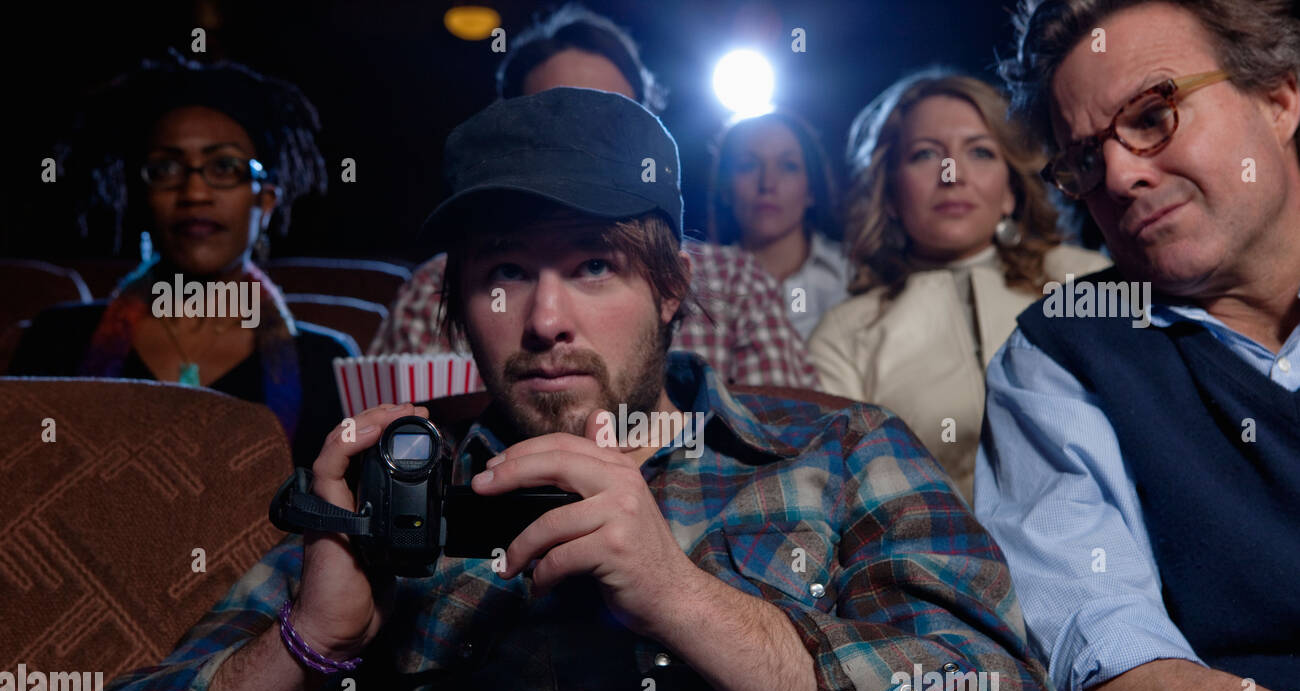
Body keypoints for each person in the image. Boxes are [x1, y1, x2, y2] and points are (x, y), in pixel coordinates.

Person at [23, 87, 1161, 691]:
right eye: (505, 273)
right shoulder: (403, 502)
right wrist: (316, 640)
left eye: (594, 266)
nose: (547, 320)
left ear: (671, 289)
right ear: (457, 305)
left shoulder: (839, 446)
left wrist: (679, 595)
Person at [979, 0, 1300, 691]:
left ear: (1279, 97)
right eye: (1086, 160)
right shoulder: (1060, 355)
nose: (1119, 177)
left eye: (1152, 118)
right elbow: (1102, 643)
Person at [374, 2, 819, 390]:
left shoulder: (736, 283)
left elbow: (781, 435)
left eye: (609, 119)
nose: (546, 322)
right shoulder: (434, 290)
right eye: (555, 120)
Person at [6, 51, 357, 468]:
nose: (194, 193)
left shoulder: (325, 363)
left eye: (224, 167)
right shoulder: (57, 341)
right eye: (165, 169)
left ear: (264, 202)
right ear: (141, 199)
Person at [807, 71, 1109, 504]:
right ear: (889, 193)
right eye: (925, 155)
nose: (952, 174)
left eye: (981, 152)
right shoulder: (844, 334)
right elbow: (834, 490)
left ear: (1010, 190)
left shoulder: (1085, 282)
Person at [707, 110, 850, 340]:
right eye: (748, 166)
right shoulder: (701, 285)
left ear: (811, 189)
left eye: (788, 166)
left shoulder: (851, 276)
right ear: (725, 189)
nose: (767, 184)